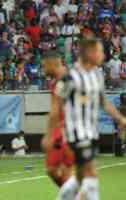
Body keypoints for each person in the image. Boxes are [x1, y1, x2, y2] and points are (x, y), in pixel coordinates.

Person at [54, 38, 126, 200]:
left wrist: (121, 119)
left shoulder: (97, 75)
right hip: (76, 132)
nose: (103, 55)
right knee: (90, 172)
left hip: (91, 131)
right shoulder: (70, 77)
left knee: (80, 176)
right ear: (90, 53)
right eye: (100, 51)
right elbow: (56, 102)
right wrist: (54, 131)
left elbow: (104, 103)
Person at [41, 51, 74, 188]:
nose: (43, 70)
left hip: (69, 129)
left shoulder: (67, 79)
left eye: (44, 66)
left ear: (52, 63)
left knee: (65, 171)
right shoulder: (58, 81)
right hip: (60, 129)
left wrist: (48, 136)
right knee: (51, 169)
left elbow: (55, 108)